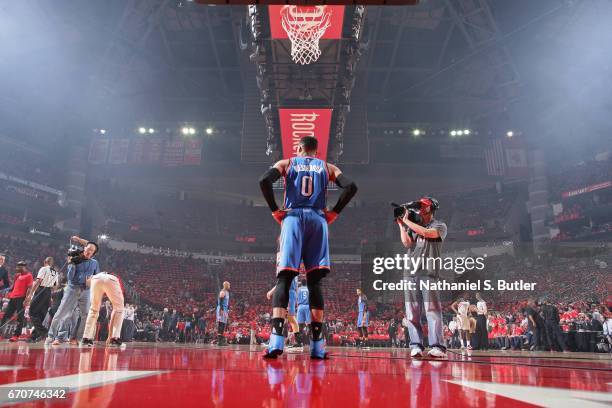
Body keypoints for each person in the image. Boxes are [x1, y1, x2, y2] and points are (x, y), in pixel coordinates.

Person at [259, 136, 358, 359]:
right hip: (317, 220)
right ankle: (317, 347)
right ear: (316, 150)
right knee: (314, 281)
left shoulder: (287, 163)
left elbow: (264, 180)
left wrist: (275, 209)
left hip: (293, 218)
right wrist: (335, 211)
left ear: (300, 148)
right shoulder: (328, 167)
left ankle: (276, 341)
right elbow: (351, 186)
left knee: (284, 278)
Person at [397, 196, 448, 359]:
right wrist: (401, 225)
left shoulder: (440, 226)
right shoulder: (414, 225)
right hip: (410, 273)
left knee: (432, 311)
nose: (419, 208)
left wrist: (408, 221)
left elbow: (427, 233)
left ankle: (437, 346)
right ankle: (416, 345)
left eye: (423, 205)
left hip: (428, 274)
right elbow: (406, 243)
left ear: (431, 208)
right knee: (412, 312)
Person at [45, 236, 100, 346]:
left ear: (94, 253)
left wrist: (92, 282)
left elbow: (96, 276)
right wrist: (72, 265)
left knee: (85, 315)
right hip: (72, 289)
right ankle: (52, 336)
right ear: (84, 248)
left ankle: (78, 338)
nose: (89, 251)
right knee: (62, 313)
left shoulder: (94, 263)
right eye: (88, 249)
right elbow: (70, 277)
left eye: (92, 250)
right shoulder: (75, 260)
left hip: (86, 291)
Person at [81, 271, 125, 347]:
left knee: (93, 309)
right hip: (111, 279)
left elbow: (88, 282)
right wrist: (111, 336)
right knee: (119, 309)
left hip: (96, 278)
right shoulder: (118, 285)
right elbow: (115, 313)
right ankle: (114, 339)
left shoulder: (96, 283)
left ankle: (86, 338)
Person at [24, 257, 59, 342]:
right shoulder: (55, 272)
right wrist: (50, 296)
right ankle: (33, 337)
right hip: (48, 292)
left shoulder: (43, 268)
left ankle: (44, 331)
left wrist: (30, 294)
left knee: (32, 312)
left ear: (45, 262)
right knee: (40, 315)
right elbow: (55, 286)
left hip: (41, 290)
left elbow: (38, 281)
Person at [0, 261, 33, 342]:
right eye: (17, 266)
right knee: (6, 316)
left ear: (24, 267)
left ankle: (16, 336)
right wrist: (5, 290)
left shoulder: (29, 275)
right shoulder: (17, 275)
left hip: (21, 299)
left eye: (18, 267)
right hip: (12, 298)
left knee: (20, 318)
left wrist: (26, 299)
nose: (16, 268)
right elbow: (13, 287)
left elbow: (29, 288)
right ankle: (0, 334)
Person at [267, 275, 301, 350]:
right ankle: (274, 341)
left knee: (290, 318)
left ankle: (298, 343)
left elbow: (281, 283)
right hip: (290, 293)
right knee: (286, 318)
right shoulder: (294, 271)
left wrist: (271, 291)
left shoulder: (288, 269)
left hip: (288, 292)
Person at [216, 281, 230, 346]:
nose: (229, 286)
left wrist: (228, 309)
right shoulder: (222, 292)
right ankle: (219, 341)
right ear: (226, 285)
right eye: (228, 285)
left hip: (225, 309)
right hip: (222, 309)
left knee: (223, 324)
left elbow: (226, 302)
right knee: (221, 324)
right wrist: (221, 309)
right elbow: (220, 300)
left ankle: (221, 340)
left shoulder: (227, 292)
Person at [296, 279, 310, 346]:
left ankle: (299, 342)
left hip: (300, 306)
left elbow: (296, 298)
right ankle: (311, 341)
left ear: (301, 283)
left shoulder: (298, 289)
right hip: (307, 306)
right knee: (310, 325)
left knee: (300, 325)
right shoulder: (309, 288)